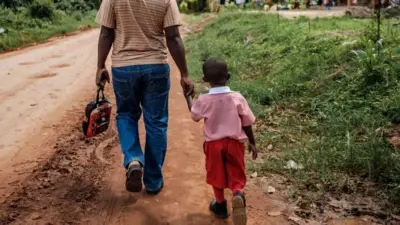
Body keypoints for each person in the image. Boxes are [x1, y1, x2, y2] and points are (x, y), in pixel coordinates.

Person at [95, 0, 194, 195]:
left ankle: (133, 159)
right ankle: (153, 181)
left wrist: (100, 66)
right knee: (156, 123)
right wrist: (184, 74)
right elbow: (173, 37)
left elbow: (106, 33)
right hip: (156, 66)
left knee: (126, 115)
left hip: (123, 68)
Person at [188, 59, 258, 225]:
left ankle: (220, 206)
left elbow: (194, 116)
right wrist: (252, 143)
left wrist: (188, 98)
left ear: (205, 80)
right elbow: (247, 123)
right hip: (234, 143)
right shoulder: (237, 98)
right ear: (228, 76)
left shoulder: (204, 100)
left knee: (216, 174)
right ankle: (238, 193)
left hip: (214, 145)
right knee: (236, 171)